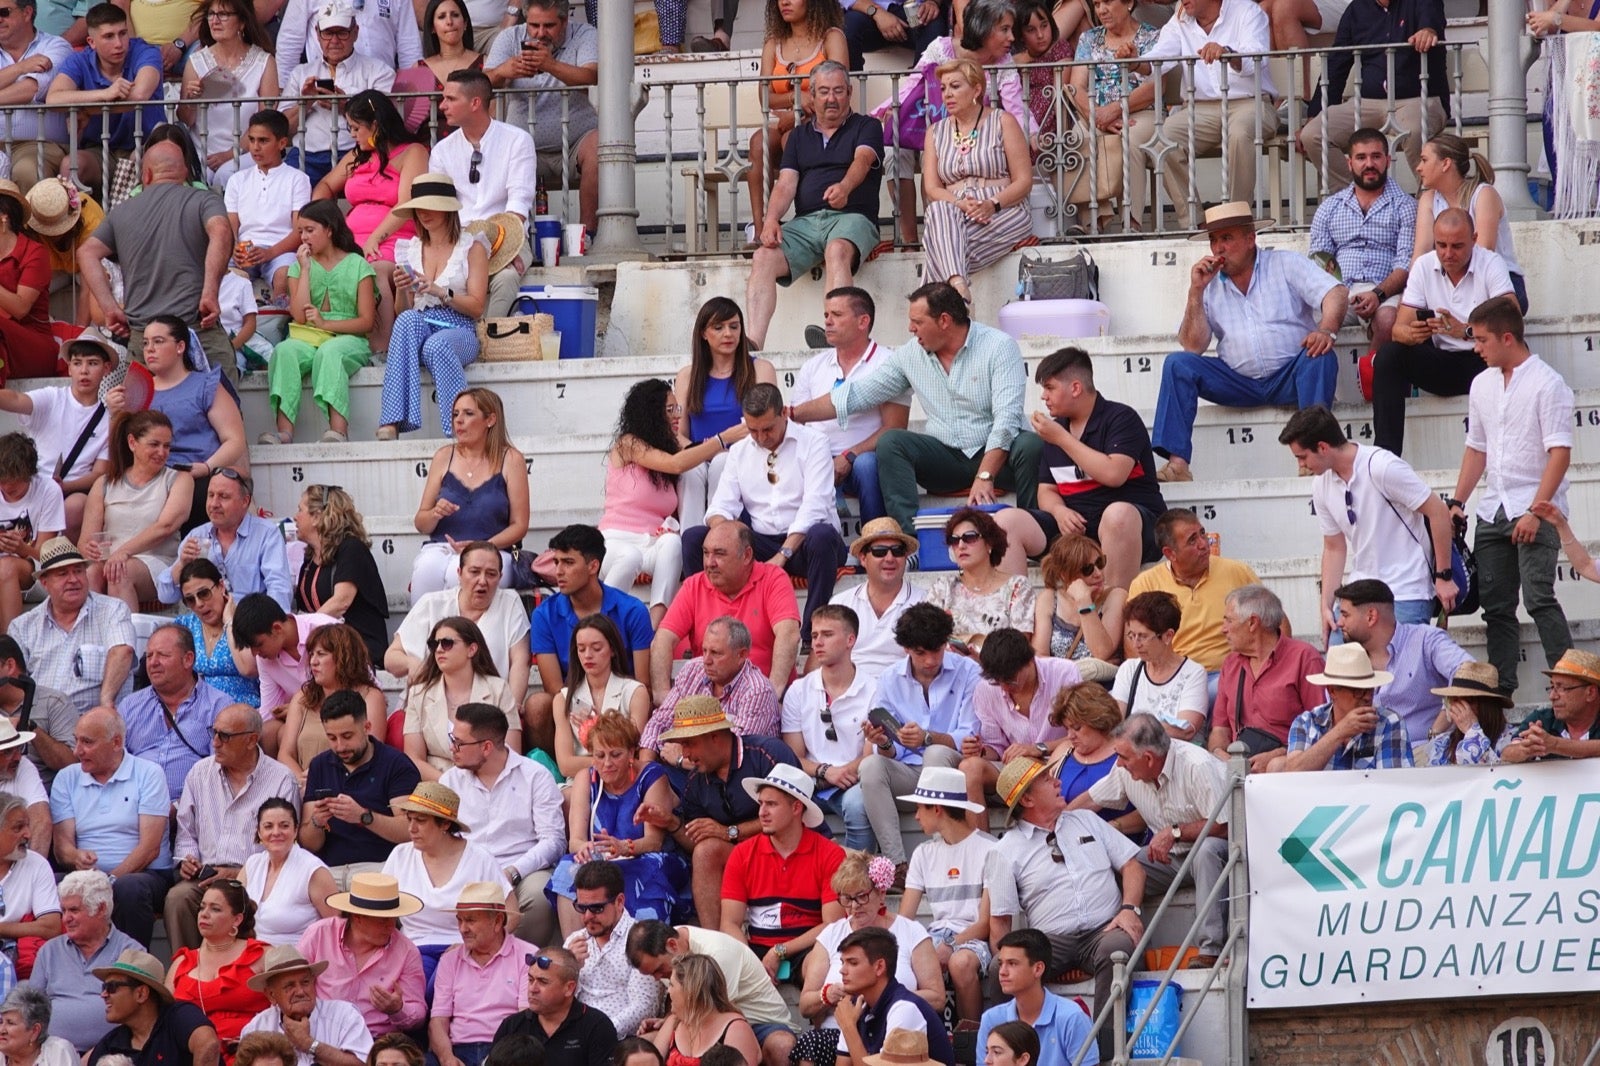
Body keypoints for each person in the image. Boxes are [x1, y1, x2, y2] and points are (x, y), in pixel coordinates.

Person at [789, 282, 1038, 538]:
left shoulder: (999, 346)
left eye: (917, 322)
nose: (910, 329)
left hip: (999, 460)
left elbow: (1006, 420)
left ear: (944, 320)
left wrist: (985, 475)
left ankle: (1034, 533)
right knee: (892, 442)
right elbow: (856, 395)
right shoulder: (910, 354)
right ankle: (909, 543)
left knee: (1030, 445)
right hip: (946, 460)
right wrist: (790, 414)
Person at [1151, 202, 1348, 482]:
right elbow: (1193, 347)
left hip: (1290, 375)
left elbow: (1335, 292)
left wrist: (1326, 330)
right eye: (1214, 240)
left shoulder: (1285, 263)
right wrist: (1196, 291)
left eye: (1227, 238)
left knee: (1320, 354)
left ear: (1250, 239)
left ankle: (1310, 456)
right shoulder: (1208, 285)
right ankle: (1178, 464)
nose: (1218, 248)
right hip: (1238, 381)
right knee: (1177, 364)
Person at [1447, 300, 1573, 697]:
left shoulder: (1548, 383)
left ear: (1506, 338)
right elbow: (1476, 448)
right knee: (1498, 608)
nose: (1476, 348)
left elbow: (1560, 453)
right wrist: (1458, 502)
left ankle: (1570, 684)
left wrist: (1536, 512)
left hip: (1537, 508)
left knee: (1538, 598)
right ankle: (1499, 693)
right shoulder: (1481, 383)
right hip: (1491, 509)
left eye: (1482, 339)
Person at [983, 757, 1143, 1063]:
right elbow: (1000, 926)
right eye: (1047, 780)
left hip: (1103, 930)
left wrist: (1129, 908)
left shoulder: (1087, 820)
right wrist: (1014, 962)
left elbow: (1133, 865)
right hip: (1049, 942)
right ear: (1027, 799)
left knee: (1118, 948)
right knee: (998, 968)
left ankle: (1105, 1053)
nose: (1058, 782)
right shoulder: (1004, 850)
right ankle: (1007, 1048)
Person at [682, 383, 848, 645]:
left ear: (783, 413)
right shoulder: (739, 451)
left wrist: (783, 555)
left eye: (767, 429)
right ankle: (706, 635)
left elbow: (815, 506)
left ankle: (809, 635)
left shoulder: (814, 442)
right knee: (695, 538)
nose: (760, 438)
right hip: (761, 540)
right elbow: (721, 505)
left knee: (822, 535)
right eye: (753, 430)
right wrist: (726, 538)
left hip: (806, 543)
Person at [1279, 405, 1459, 639]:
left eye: (1302, 457)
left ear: (1322, 447)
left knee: (1399, 672)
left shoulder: (1382, 466)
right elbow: (1334, 548)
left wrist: (1443, 576)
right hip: (1359, 591)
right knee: (1338, 670)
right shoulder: (1320, 485)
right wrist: (1326, 606)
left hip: (1406, 589)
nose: (1301, 466)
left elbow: (1438, 512)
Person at [1069, 714, 1229, 968]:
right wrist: (1057, 825)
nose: (1118, 764)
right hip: (1168, 858)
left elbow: (1224, 825)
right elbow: (1090, 800)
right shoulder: (1126, 768)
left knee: (1206, 852)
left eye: (1123, 757)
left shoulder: (1195, 765)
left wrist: (1175, 832)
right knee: (1122, 866)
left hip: (1216, 851)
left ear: (1149, 758)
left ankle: (1211, 951)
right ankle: (1110, 947)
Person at [744, 66, 885, 352]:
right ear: (812, 95)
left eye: (837, 91)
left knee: (836, 250)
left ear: (849, 93)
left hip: (852, 218)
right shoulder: (798, 136)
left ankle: (836, 337)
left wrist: (845, 187)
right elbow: (786, 184)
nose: (830, 98)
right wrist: (771, 220)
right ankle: (753, 344)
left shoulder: (867, 126)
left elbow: (862, 161)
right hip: (806, 223)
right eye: (823, 92)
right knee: (763, 256)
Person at [869, 0, 1031, 247]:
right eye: (1005, 29)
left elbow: (1016, 107)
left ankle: (935, 235)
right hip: (928, 125)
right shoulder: (941, 48)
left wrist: (1029, 137)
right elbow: (914, 82)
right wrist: (885, 109)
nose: (1012, 37)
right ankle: (910, 239)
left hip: (973, 137)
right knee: (893, 153)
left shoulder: (1003, 60)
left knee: (930, 159)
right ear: (984, 28)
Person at [633, 700, 800, 933]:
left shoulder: (767, 754)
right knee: (706, 850)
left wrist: (729, 832)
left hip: (797, 853)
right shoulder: (696, 782)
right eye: (682, 745)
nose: (686, 754)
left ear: (715, 737)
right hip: (748, 861)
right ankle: (717, 945)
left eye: (689, 743)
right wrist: (670, 822)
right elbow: (697, 842)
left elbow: (792, 816)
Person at [1022, 346, 1167, 602]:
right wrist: (1059, 512)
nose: (1044, 397)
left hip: (1132, 528)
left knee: (1117, 515)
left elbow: (1114, 474)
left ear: (1075, 388)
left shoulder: (1121, 418)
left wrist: (1062, 439)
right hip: (1076, 529)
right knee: (1007, 522)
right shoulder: (1055, 431)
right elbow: (1046, 490)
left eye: (1050, 388)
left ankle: (1112, 620)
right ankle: (1016, 625)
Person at [599, 380, 746, 624]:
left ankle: (655, 627)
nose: (677, 416)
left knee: (672, 543)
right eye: (669, 410)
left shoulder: (670, 444)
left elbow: (697, 453)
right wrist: (724, 437)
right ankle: (601, 623)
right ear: (651, 412)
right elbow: (677, 464)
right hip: (617, 540)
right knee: (629, 557)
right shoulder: (628, 443)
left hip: (651, 543)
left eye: (678, 409)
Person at [75, 141, 234, 367]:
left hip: (144, 336)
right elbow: (221, 230)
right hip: (197, 330)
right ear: (186, 173)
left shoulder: (121, 211)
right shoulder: (204, 200)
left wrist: (109, 308)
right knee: (221, 399)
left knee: (147, 403)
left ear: (146, 175)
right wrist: (210, 292)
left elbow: (86, 252)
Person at [1374, 208, 1517, 457]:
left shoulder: (1490, 262)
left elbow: (1513, 318)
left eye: (1457, 246)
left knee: (1511, 351)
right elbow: (1398, 329)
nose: (1448, 254)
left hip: (1485, 363)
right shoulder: (1423, 265)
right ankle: (1385, 459)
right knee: (1389, 356)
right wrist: (1414, 334)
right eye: (1441, 245)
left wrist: (1468, 330)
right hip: (1442, 362)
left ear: (1474, 239)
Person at [849, 602, 976, 871]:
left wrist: (928, 737)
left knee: (935, 753)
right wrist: (882, 742)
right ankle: (897, 866)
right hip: (909, 773)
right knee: (870, 764)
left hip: (955, 771)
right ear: (906, 649)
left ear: (946, 643)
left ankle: (946, 853)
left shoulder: (968, 671)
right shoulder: (889, 678)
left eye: (937, 650)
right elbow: (890, 750)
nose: (930, 660)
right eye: (921, 653)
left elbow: (970, 736)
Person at [168, 706, 301, 949]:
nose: (215, 742)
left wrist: (239, 873)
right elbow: (186, 830)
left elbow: (284, 843)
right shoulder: (200, 773)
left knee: (259, 904)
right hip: (205, 878)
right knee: (178, 898)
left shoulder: (281, 779)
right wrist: (187, 860)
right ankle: (188, 973)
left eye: (225, 736)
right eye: (214, 733)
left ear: (251, 740)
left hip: (257, 879)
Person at [1141, 0, 1276, 227]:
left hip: (1250, 103)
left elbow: (1257, 58)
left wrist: (1228, 53)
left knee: (1240, 133)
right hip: (1200, 109)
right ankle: (1195, 223)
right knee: (1161, 140)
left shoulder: (1246, 10)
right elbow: (1158, 60)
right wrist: (1136, 63)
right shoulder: (1180, 20)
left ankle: (1236, 219)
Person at [312, 92, 428, 355]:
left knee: (373, 272)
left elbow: (406, 205)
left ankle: (381, 350)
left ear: (375, 125)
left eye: (356, 128)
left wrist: (375, 237)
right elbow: (326, 184)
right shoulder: (357, 155)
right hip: (351, 238)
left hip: (395, 236)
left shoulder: (413, 152)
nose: (352, 135)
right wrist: (324, 215)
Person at [440, 702, 565, 945]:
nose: (452, 748)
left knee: (540, 894)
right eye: (452, 739)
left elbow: (554, 840)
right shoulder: (449, 781)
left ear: (487, 747)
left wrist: (513, 872)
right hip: (467, 873)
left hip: (520, 872)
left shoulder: (535, 776)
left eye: (459, 743)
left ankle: (515, 960)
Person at [376, 174, 488, 440]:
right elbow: (403, 313)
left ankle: (460, 429)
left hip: (460, 328)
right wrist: (402, 287)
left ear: (447, 208)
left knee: (437, 345)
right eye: (420, 207)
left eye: (431, 206)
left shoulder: (472, 247)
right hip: (421, 324)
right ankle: (392, 420)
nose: (424, 213)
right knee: (406, 322)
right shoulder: (411, 249)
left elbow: (477, 307)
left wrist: (442, 292)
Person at [798, 853, 942, 1060]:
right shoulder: (830, 935)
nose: (854, 906)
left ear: (881, 893)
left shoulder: (911, 932)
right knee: (810, 1043)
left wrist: (882, 999)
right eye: (846, 898)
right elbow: (804, 1005)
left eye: (861, 896)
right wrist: (827, 995)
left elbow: (937, 998)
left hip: (894, 1028)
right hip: (838, 1032)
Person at [50, 710, 173, 947]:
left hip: (144, 874)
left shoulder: (148, 773)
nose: (77, 751)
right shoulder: (67, 778)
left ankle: (131, 970)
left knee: (129, 888)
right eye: (76, 740)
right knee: (50, 883)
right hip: (86, 877)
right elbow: (62, 847)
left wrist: (108, 882)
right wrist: (75, 856)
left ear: (116, 742)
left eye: (87, 742)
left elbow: (150, 849)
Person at [528, 524, 653, 755]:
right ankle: (556, 770)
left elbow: (643, 682)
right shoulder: (543, 614)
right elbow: (555, 688)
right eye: (556, 562)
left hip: (623, 704)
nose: (559, 572)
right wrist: (586, 712)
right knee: (537, 705)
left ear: (593, 566)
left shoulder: (633, 610)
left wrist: (607, 716)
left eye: (568, 562)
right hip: (573, 705)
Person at [262, 202, 378, 447]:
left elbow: (366, 322)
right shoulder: (298, 267)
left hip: (348, 339)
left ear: (329, 230)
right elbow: (299, 315)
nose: (303, 237)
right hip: (307, 336)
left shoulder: (359, 265)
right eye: (300, 231)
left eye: (309, 230)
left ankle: (337, 431)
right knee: (284, 351)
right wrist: (305, 270)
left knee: (330, 352)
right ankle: (284, 433)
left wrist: (327, 323)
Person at [552, 711, 682, 930]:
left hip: (644, 857)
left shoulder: (652, 776)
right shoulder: (586, 777)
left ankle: (639, 953)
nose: (607, 763)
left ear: (631, 753)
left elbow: (654, 842)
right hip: (603, 859)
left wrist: (624, 847)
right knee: (568, 867)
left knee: (641, 871)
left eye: (615, 754)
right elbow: (575, 840)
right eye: (600, 755)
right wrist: (584, 848)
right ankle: (576, 952)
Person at [920, 58, 1034, 306]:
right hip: (954, 211)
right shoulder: (935, 132)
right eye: (943, 88)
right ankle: (958, 285)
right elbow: (932, 188)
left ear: (976, 89)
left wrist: (991, 204)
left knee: (937, 243)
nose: (947, 94)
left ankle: (934, 314)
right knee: (938, 209)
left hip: (1004, 209)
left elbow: (1024, 181)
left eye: (955, 86)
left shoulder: (1003, 121)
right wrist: (960, 204)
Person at [790, 292, 910, 527]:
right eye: (826, 315)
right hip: (818, 457)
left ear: (863, 321)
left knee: (866, 465)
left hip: (863, 458)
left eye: (836, 314)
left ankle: (875, 540)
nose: (827, 321)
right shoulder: (812, 366)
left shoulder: (888, 363)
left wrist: (850, 454)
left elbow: (895, 428)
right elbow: (796, 425)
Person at [650, 523, 801, 704]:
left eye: (719, 554)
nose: (709, 563)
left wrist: (771, 693)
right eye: (706, 553)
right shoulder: (693, 585)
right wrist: (662, 696)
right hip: (708, 705)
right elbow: (662, 640)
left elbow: (789, 634)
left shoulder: (773, 578)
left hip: (762, 701)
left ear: (746, 556)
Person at [891, 767, 994, 1026]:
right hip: (934, 936)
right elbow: (905, 918)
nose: (915, 816)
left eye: (920, 808)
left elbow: (984, 925)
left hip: (973, 939)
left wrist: (949, 945)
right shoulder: (923, 853)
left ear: (937, 809)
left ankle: (970, 1040)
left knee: (961, 963)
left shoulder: (990, 849)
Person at [484, 0, 598, 233]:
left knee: (599, 147)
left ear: (565, 22)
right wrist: (501, 72)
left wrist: (550, 65)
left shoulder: (585, 33)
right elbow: (480, 85)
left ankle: (589, 235)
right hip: (523, 146)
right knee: (497, 151)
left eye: (549, 25)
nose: (540, 33)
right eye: (534, 25)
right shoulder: (509, 38)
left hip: (576, 143)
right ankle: (515, 237)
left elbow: (592, 76)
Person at [382, 782, 513, 983]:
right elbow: (380, 910)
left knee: (441, 985)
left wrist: (476, 945)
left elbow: (511, 913)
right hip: (413, 949)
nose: (412, 828)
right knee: (416, 988)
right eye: (409, 820)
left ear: (444, 824)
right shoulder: (400, 855)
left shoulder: (479, 858)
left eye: (421, 820)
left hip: (466, 949)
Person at [429, 69, 535, 317]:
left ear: (475, 103)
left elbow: (519, 203)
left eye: (451, 99)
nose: (443, 105)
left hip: (506, 236)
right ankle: (460, 338)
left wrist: (505, 249)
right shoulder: (442, 151)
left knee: (507, 278)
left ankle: (491, 344)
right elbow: (440, 208)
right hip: (458, 240)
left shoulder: (517, 140)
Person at [720, 763, 846, 971]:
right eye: (761, 804)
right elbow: (729, 924)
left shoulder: (830, 854)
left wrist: (780, 950)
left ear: (796, 808)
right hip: (754, 950)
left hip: (808, 949)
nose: (762, 812)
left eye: (771, 804)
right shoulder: (742, 853)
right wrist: (751, 965)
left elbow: (832, 925)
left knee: (821, 964)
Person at [1305, 129, 1417, 354]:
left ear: (1387, 160)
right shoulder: (1330, 208)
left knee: (1388, 320)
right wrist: (1336, 295)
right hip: (1341, 291)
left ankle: (1369, 378)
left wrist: (1377, 294)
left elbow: (1406, 263)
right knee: (1305, 325)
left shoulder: (1406, 206)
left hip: (1387, 291)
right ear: (1349, 163)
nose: (1369, 164)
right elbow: (1320, 262)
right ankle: (1325, 389)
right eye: (1361, 157)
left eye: (1376, 156)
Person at [410, 388, 530, 597]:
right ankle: (424, 630)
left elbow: (519, 526)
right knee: (425, 570)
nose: (459, 421)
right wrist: (435, 513)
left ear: (490, 419)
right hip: (441, 547)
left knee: (456, 573)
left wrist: (482, 545)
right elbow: (421, 523)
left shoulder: (511, 459)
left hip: (492, 551)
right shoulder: (443, 456)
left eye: (468, 413)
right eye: (456, 414)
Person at [743, 0, 848, 238]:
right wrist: (797, 99)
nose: (784, 2)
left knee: (794, 138)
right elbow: (765, 97)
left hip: (824, 126)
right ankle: (761, 230)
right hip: (786, 121)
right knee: (758, 143)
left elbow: (838, 90)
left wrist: (798, 114)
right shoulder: (773, 43)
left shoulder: (831, 38)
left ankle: (805, 222)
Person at [0, 331, 116, 542]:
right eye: (77, 363)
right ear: (69, 367)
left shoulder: (108, 419)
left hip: (70, 491)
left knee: (77, 506)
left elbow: (99, 472)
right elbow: (17, 399)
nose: (84, 371)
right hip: (30, 484)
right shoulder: (53, 397)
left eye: (92, 363)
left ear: (106, 368)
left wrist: (64, 486)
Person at [138, 315, 250, 533]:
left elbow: (235, 440)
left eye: (158, 341)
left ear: (180, 346)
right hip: (152, 476)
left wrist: (206, 467)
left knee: (199, 494)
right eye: (145, 343)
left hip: (200, 475)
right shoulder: (139, 389)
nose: (149, 349)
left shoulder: (204, 385)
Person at [674, 299, 778, 528]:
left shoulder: (761, 369)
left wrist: (720, 450)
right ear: (703, 333)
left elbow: (770, 424)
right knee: (691, 469)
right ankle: (690, 542)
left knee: (722, 462)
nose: (728, 334)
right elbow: (678, 433)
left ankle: (721, 538)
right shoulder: (687, 376)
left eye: (734, 326)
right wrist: (702, 452)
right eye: (718, 327)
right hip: (699, 456)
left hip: (745, 456)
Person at [300, 690, 422, 887]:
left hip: (380, 866)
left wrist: (363, 817)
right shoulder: (320, 765)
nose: (340, 746)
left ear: (367, 727)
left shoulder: (396, 764)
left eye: (347, 736)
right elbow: (309, 843)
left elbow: (409, 830)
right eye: (332, 738)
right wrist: (317, 821)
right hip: (329, 870)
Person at [1331, 579, 1473, 746]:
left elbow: (1469, 671)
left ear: (1371, 616)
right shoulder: (1347, 657)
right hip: (1363, 760)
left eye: (1345, 615)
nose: (1339, 622)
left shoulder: (1425, 640)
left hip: (1421, 756)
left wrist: (1436, 732)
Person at [1128, 509, 1264, 680]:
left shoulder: (1237, 571)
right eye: (1192, 540)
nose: (1203, 544)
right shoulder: (1145, 584)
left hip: (1230, 674)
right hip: (1173, 677)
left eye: (1202, 534)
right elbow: (1132, 644)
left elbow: (1276, 621)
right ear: (1170, 553)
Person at [387, 543, 531, 701]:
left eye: (491, 574)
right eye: (474, 572)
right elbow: (391, 657)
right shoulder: (431, 603)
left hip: (489, 711)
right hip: (428, 708)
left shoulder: (510, 603)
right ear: (459, 573)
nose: (482, 581)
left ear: (500, 577)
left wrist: (512, 708)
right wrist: (412, 664)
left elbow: (520, 661)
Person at [43, 3, 162, 192]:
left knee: (145, 158)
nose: (119, 43)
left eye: (123, 33)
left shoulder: (145, 51)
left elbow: (139, 95)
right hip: (99, 150)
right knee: (71, 165)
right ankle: (77, 221)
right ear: (91, 42)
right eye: (108, 36)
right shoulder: (79, 60)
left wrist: (88, 110)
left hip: (145, 147)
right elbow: (53, 99)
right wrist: (104, 94)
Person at [80, 411, 192, 611]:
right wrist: (90, 549)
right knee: (90, 574)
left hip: (156, 560)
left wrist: (123, 552)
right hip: (112, 560)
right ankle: (93, 639)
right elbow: (85, 540)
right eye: (154, 444)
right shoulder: (104, 483)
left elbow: (165, 527)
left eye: (167, 446)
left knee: (120, 571)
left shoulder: (179, 479)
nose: (162, 452)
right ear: (132, 443)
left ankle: (125, 640)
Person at [1062, 0, 1159, 226]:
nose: (1101, 10)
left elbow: (1156, 87)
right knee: (1078, 136)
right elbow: (1076, 87)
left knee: (1130, 139)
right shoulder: (1089, 39)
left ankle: (1131, 222)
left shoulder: (1152, 36)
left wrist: (1114, 110)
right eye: (1096, 4)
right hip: (1096, 115)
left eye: (1107, 2)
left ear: (1129, 3)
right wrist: (1097, 115)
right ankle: (1093, 222)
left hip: (1140, 110)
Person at [10, 537, 134, 712]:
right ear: (44, 583)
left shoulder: (113, 610)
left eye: (78, 571)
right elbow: (13, 681)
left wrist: (106, 702)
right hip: (40, 724)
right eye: (62, 574)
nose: (73, 579)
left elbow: (123, 652)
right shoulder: (22, 626)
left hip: (94, 719)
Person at [117, 624, 239, 802]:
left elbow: (222, 772)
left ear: (188, 659)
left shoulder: (219, 705)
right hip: (131, 807)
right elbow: (113, 763)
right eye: (149, 655)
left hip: (194, 811)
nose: (153, 662)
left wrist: (180, 807)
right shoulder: (130, 706)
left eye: (163, 655)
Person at [642, 617, 781, 772]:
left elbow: (732, 755)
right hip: (688, 770)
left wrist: (681, 758)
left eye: (715, 653)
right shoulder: (692, 670)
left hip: (738, 780)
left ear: (741, 655)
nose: (706, 660)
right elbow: (659, 721)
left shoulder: (757, 691)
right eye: (704, 650)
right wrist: (647, 771)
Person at [1207, 585, 1323, 769]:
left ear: (1252, 623)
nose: (1223, 629)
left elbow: (1321, 727)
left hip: (1288, 764)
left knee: (1276, 766)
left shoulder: (1304, 658)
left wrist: (1275, 755)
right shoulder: (1231, 663)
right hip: (1238, 764)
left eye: (1228, 621)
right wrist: (1220, 755)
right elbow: (1220, 729)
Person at [282, 3, 397, 187]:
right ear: (317, 35)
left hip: (358, 153)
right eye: (328, 33)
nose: (334, 40)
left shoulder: (379, 71)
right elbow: (283, 130)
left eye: (341, 32)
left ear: (355, 32)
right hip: (307, 154)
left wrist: (347, 106)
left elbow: (385, 124)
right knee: (284, 190)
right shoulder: (300, 73)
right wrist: (307, 103)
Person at [298, 873, 426, 1038]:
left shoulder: (407, 951)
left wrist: (398, 1009)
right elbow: (294, 982)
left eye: (394, 919)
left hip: (377, 1043)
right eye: (383, 920)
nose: (391, 926)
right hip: (321, 1034)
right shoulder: (319, 934)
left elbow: (419, 1014)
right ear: (357, 917)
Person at [781, 604, 872, 834]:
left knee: (857, 804)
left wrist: (840, 774)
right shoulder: (798, 690)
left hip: (855, 780)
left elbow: (870, 757)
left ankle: (857, 870)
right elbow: (794, 756)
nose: (817, 642)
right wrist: (825, 771)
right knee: (778, 801)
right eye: (814, 635)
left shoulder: (874, 689)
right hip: (811, 780)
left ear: (850, 640)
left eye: (827, 635)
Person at [1412, 133, 1527, 312]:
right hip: (1449, 280)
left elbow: (1484, 251)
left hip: (1498, 282)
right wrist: (1412, 292)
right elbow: (1421, 252)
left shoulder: (1483, 194)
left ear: (1446, 164)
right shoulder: (1428, 199)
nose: (1419, 168)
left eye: (1424, 160)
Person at [964, 629, 1076, 811]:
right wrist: (981, 751)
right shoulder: (985, 689)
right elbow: (996, 748)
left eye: (1010, 681)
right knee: (970, 768)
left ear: (1030, 661)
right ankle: (979, 839)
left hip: (1057, 763)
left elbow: (1083, 734)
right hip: (1014, 770)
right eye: (997, 681)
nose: (1004, 688)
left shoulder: (1063, 673)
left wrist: (1037, 748)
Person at [429, 883, 539, 1066]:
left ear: (497, 922)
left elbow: (525, 1019)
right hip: (458, 1050)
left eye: (471, 921)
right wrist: (447, 1059)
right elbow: (438, 1021)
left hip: (506, 1051)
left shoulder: (527, 956)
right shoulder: (450, 960)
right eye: (460, 920)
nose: (463, 929)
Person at [30, 870, 139, 1050]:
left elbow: (139, 1018)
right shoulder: (49, 951)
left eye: (74, 910)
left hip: (112, 1053)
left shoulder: (130, 952)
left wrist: (99, 1052)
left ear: (101, 909)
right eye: (63, 910)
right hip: (52, 1054)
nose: (66, 918)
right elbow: (31, 1010)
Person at [402, 618, 519, 780]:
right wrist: (450, 786)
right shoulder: (418, 694)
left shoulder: (499, 689)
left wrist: (470, 787)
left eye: (447, 643)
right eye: (434, 644)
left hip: (490, 782)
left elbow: (511, 752)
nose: (439, 650)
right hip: (437, 787)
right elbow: (413, 758)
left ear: (471, 649)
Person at [159, 470, 292, 611]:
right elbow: (165, 595)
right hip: (206, 625)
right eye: (211, 495)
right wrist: (182, 565)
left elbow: (279, 590)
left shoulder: (267, 534)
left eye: (223, 496)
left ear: (245, 501)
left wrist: (264, 625)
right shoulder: (197, 535)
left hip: (250, 623)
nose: (214, 504)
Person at [178, 0, 279, 184]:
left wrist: (232, 153)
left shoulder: (264, 62)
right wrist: (191, 100)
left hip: (248, 150)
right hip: (201, 153)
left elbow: (267, 120)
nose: (215, 21)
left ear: (242, 22)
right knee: (201, 177)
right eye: (211, 14)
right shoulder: (196, 61)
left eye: (223, 15)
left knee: (226, 174)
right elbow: (185, 119)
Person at [163, 879, 271, 1051]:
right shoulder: (181, 963)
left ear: (237, 919)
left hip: (251, 1054)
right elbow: (163, 1021)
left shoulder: (262, 956)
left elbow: (287, 1010)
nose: (204, 914)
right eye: (202, 907)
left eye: (215, 909)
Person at [560, 861, 662, 1040]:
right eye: (581, 908)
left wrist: (599, 1033)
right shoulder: (574, 942)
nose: (587, 916)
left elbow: (643, 1007)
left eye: (597, 908)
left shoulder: (642, 940)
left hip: (622, 1040)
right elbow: (557, 1002)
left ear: (619, 902)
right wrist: (570, 970)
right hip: (575, 1038)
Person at [290, 485, 390, 666]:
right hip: (325, 646)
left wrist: (304, 631)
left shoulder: (351, 548)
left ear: (317, 516)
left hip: (357, 646)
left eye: (300, 510)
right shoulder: (310, 556)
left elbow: (341, 601)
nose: (295, 517)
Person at [277, 624, 389, 783]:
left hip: (350, 785)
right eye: (311, 654)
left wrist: (322, 776)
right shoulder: (303, 697)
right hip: (304, 787)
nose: (313, 662)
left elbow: (370, 753)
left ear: (344, 657)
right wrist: (302, 780)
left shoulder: (370, 697)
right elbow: (285, 754)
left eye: (321, 654)